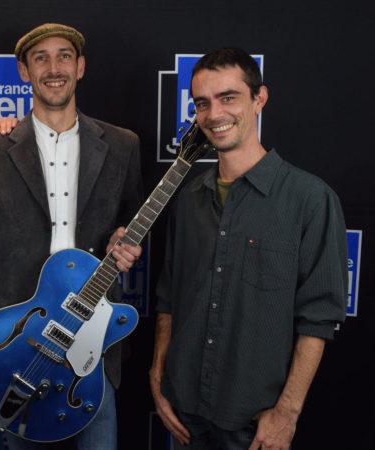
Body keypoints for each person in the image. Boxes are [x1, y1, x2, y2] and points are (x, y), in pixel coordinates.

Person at [0, 23, 144, 450]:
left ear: (81, 66)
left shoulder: (123, 145)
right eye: (41, 58)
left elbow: (129, 229)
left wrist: (123, 243)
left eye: (64, 56)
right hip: (17, 346)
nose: (54, 68)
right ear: (23, 71)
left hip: (93, 347)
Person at [149, 48, 348, 450]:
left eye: (228, 97)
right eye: (202, 103)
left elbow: (318, 320)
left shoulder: (310, 199)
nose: (214, 114)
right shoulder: (188, 200)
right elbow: (169, 296)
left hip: (255, 425)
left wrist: (287, 414)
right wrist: (158, 376)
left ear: (259, 99)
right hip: (184, 414)